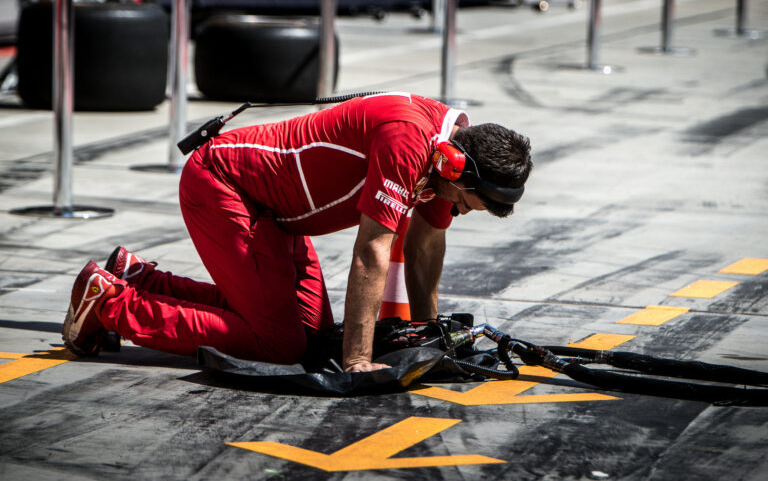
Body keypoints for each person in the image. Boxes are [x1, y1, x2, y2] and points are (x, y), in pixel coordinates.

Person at [62, 92, 533, 372]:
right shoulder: (407, 142)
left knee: (310, 337)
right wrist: (358, 361)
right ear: (456, 170)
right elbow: (373, 251)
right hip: (224, 185)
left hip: (276, 214)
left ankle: (140, 278)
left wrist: (430, 339)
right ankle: (108, 304)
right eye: (467, 204)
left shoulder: (445, 159)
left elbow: (427, 243)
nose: (462, 212)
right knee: (278, 344)